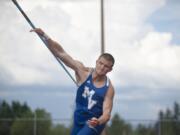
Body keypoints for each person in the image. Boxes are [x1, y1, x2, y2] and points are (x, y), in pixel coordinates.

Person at [30, 28, 115, 135]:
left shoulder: (108, 88)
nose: (102, 68)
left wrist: (98, 121)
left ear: (110, 70)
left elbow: (107, 114)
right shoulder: (82, 71)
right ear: (97, 62)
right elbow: (60, 53)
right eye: (101, 63)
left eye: (106, 66)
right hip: (78, 120)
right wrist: (44, 35)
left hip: (94, 123)